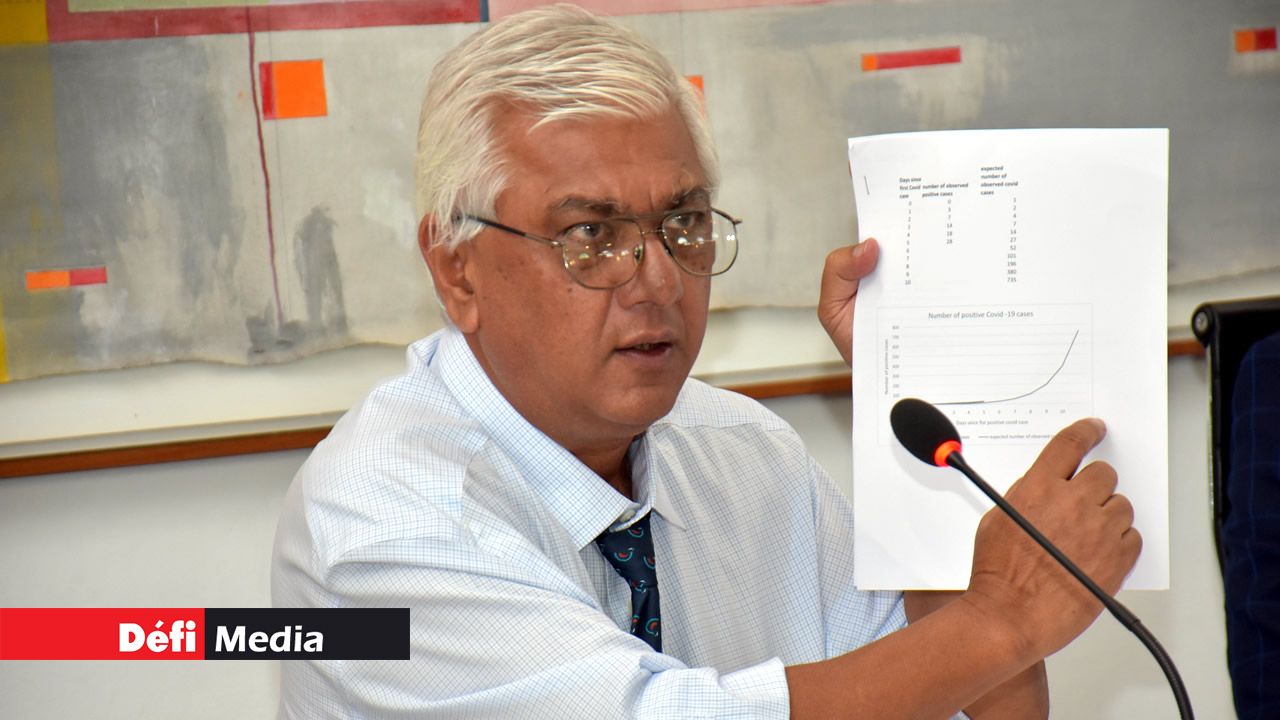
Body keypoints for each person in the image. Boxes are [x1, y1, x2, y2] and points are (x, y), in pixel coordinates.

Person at [271, 5, 1141, 718]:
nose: (657, 279)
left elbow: (973, 705)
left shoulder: (747, 455)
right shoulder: (381, 522)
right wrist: (1002, 619)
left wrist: (918, 453)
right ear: (456, 269)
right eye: (592, 235)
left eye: (682, 224)